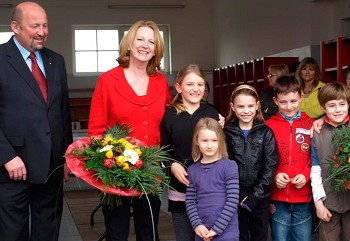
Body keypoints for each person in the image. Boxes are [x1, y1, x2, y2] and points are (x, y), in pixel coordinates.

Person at [88, 20, 173, 241]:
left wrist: (209, 116)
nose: (145, 45)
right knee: (116, 233)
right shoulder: (107, 80)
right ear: (129, 44)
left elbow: (175, 117)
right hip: (115, 169)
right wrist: (110, 162)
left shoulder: (161, 82)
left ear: (157, 49)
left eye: (152, 41)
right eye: (140, 39)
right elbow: (96, 130)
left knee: (149, 232)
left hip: (151, 170)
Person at [0, 2, 73, 241]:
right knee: (12, 233)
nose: (42, 31)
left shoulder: (56, 61)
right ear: (15, 27)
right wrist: (7, 157)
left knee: (48, 232)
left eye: (45, 25)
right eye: (34, 26)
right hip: (12, 167)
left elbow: (63, 112)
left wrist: (67, 157)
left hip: (51, 166)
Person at [160, 64, 222, 241]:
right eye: (190, 84)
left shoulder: (212, 113)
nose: (196, 89)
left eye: (200, 84)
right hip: (180, 186)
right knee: (184, 236)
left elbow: (222, 148)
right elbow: (163, 149)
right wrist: (172, 165)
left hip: (209, 187)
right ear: (178, 87)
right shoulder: (169, 115)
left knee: (208, 235)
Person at [224, 84, 278, 241]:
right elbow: (224, 164)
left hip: (260, 198)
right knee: (238, 235)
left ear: (257, 106)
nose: (245, 110)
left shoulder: (265, 132)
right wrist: (238, 194)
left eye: (250, 106)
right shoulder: (227, 132)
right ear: (233, 107)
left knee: (259, 235)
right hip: (235, 197)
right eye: (240, 106)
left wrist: (256, 195)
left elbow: (270, 165)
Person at [265, 75, 314, 241]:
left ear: (301, 97)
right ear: (275, 101)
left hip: (304, 196)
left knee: (303, 238)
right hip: (277, 197)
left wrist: (307, 175)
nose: (289, 106)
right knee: (280, 238)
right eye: (283, 102)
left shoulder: (311, 124)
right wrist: (275, 174)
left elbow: (316, 156)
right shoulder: (268, 126)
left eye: (293, 101)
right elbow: (264, 158)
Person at [186, 117, 240, 241]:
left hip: (227, 233)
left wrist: (216, 229)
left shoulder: (229, 166)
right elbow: (190, 201)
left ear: (220, 141)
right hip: (202, 233)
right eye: (205, 140)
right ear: (197, 141)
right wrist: (197, 225)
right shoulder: (192, 170)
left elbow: (232, 200)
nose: (209, 145)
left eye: (214, 140)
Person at [310, 82, 350, 241]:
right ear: (323, 108)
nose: (338, 109)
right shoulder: (316, 133)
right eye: (332, 105)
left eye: (342, 104)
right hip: (328, 202)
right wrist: (319, 203)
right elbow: (315, 170)